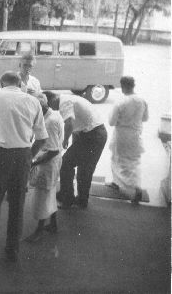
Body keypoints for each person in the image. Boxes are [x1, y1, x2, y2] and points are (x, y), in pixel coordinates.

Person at [0, 71, 48, 267]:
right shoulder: (33, 102)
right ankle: (12, 251)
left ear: (1, 83)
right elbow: (42, 138)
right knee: (17, 205)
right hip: (22, 156)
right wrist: (28, 158)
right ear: (19, 84)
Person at [43, 91, 107, 209]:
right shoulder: (68, 99)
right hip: (92, 133)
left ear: (52, 100)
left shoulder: (64, 103)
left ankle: (68, 199)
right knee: (83, 167)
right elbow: (77, 123)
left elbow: (69, 124)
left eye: (49, 106)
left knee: (67, 164)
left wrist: (64, 141)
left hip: (93, 136)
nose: (52, 109)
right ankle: (78, 198)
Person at [25, 93, 64, 242]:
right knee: (50, 193)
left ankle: (39, 231)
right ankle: (53, 224)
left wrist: (32, 162)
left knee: (42, 197)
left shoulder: (49, 122)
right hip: (50, 160)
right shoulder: (54, 115)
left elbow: (53, 150)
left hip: (49, 162)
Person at [108, 76, 149, 204]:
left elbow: (111, 122)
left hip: (121, 135)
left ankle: (122, 184)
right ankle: (133, 185)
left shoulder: (121, 102)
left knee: (117, 158)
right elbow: (145, 118)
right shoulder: (142, 101)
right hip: (135, 134)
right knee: (133, 161)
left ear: (123, 86)